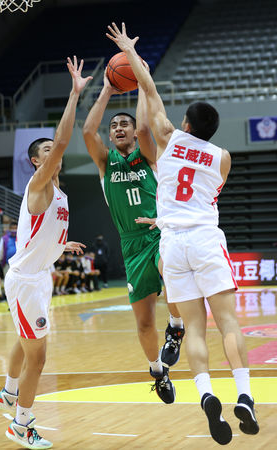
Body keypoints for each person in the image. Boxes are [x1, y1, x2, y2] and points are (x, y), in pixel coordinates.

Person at [106, 22, 259, 445]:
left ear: (186, 123)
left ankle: (206, 394)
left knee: (194, 329)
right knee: (228, 320)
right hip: (206, 239)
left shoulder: (170, 140)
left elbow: (150, 90)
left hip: (172, 244)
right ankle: (244, 394)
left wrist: (129, 52)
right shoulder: (223, 158)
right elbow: (206, 196)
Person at [0, 56, 92, 449]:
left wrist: (59, 244)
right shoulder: (40, 183)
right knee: (39, 358)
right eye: (48, 150)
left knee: (25, 341)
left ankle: (8, 392)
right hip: (26, 281)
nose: (56, 152)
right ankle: (21, 424)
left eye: (55, 150)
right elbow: (64, 139)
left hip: (39, 276)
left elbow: (42, 228)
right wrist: (74, 94)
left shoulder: (59, 193)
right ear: (37, 161)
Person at [82, 62, 184, 405]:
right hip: (130, 245)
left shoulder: (147, 156)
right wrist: (107, 91)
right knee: (143, 324)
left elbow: (144, 127)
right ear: (111, 136)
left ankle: (176, 326)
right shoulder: (104, 162)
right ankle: (157, 370)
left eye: (123, 123)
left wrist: (140, 80)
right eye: (115, 126)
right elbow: (86, 132)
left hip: (158, 234)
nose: (120, 128)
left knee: (171, 271)